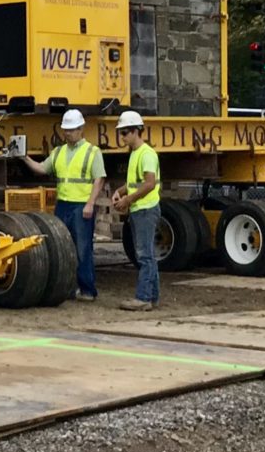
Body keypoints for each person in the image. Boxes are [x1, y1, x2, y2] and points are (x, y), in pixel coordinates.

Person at [16, 109, 107, 299]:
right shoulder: (59, 152)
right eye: (66, 129)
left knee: (83, 249)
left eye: (72, 129)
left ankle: (87, 290)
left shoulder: (92, 152)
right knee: (63, 247)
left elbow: (99, 179)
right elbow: (42, 168)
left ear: (81, 129)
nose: (68, 133)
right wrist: (24, 158)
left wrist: (90, 203)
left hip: (82, 206)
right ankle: (69, 287)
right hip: (63, 205)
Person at [110, 110, 160, 311]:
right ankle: (151, 297)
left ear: (137, 131)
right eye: (121, 132)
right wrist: (121, 191)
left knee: (144, 255)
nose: (122, 137)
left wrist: (127, 200)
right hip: (142, 209)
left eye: (125, 132)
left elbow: (149, 184)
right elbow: (136, 182)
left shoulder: (146, 154)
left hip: (145, 209)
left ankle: (144, 298)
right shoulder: (136, 153)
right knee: (147, 255)